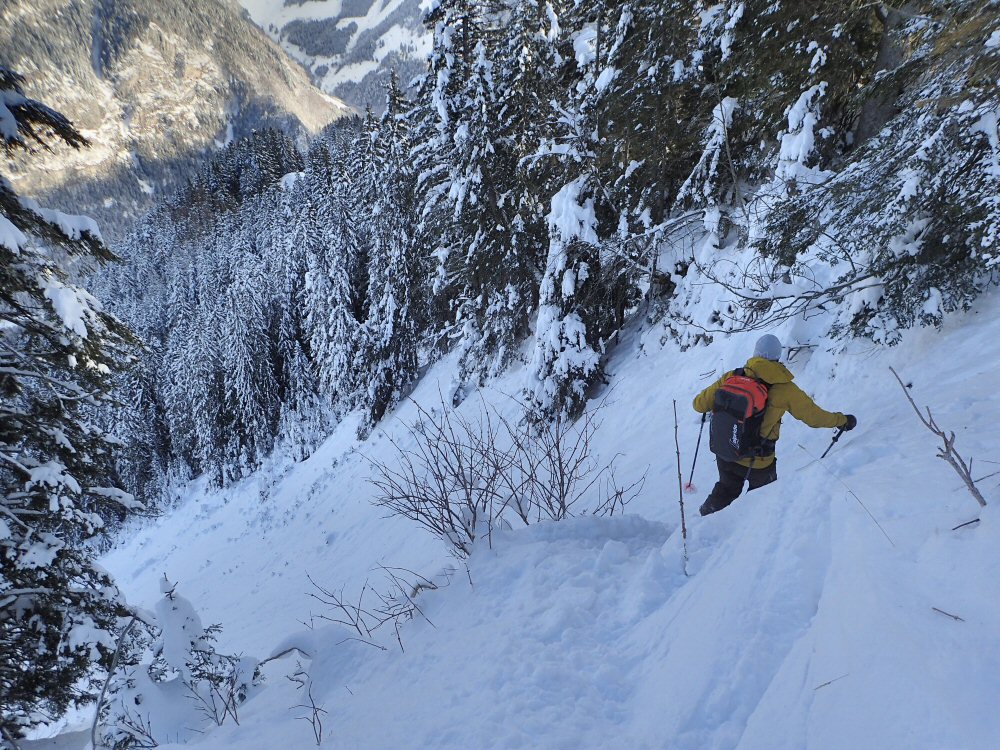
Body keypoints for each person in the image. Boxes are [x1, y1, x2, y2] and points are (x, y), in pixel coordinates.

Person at [692, 334, 856, 516]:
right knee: (762, 504)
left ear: (755, 353)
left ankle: (701, 523)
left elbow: (698, 404)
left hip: (727, 451)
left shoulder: (732, 376)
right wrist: (842, 420)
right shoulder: (784, 389)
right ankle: (748, 534)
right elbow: (814, 417)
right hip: (759, 461)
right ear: (778, 356)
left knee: (725, 489)